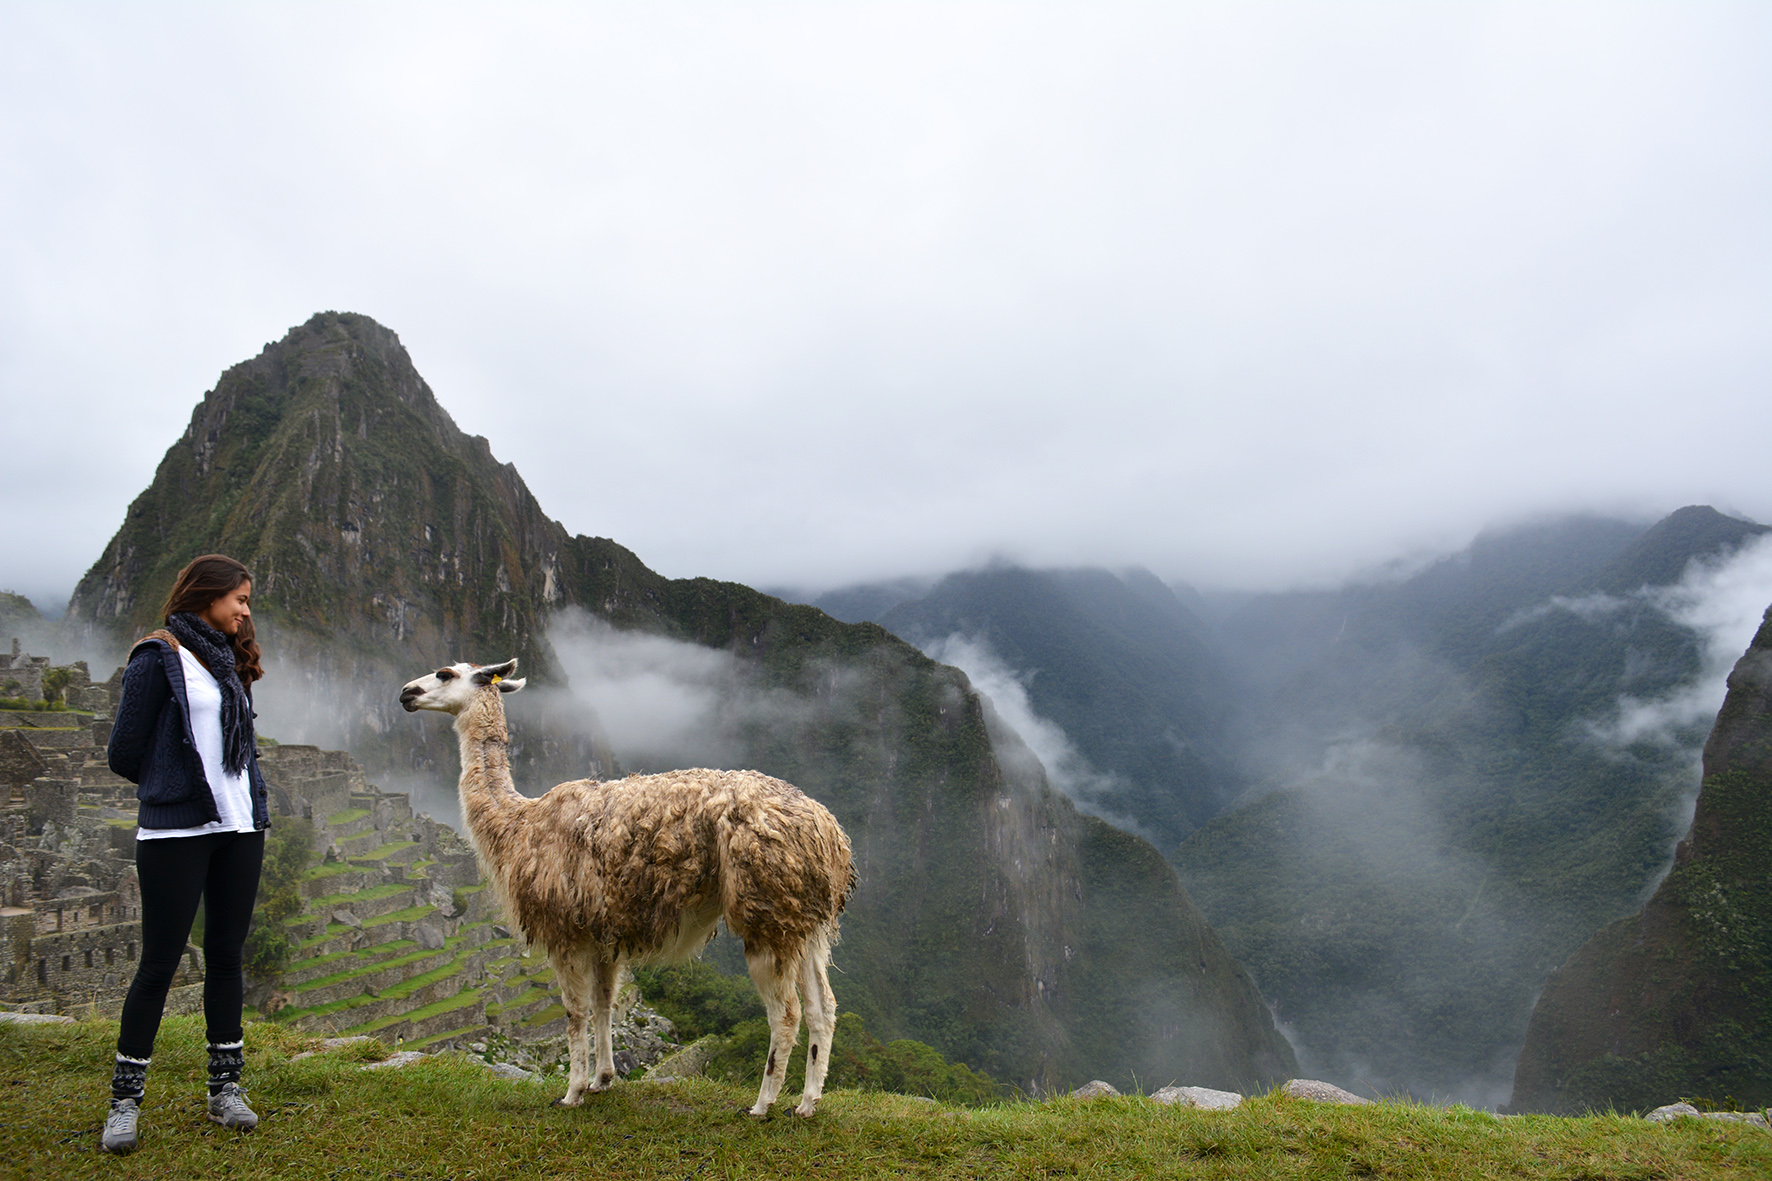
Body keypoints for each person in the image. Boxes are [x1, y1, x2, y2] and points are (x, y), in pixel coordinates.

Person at [100, 554, 271, 1154]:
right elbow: (125, 749)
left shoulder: (231, 661)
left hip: (240, 825)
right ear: (208, 594)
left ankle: (225, 1090)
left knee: (226, 955)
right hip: (176, 830)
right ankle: (125, 1101)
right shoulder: (157, 655)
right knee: (159, 963)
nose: (247, 610)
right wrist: (172, 787)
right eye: (240, 599)